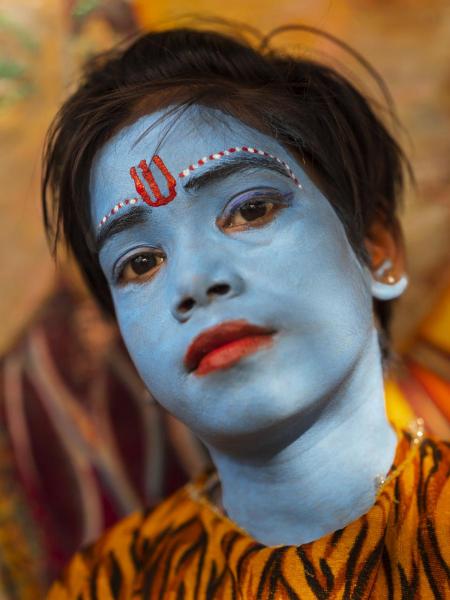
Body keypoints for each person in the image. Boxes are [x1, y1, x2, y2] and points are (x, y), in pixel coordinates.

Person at [43, 24, 449, 599]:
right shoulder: (111, 586)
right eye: (139, 263)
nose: (194, 281)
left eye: (250, 209)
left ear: (377, 248)